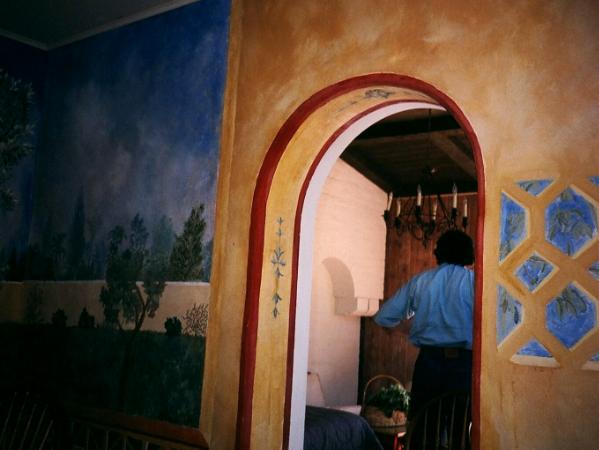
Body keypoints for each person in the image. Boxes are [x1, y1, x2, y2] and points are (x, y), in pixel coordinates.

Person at [374, 229, 474, 448]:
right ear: (469, 254)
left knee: (423, 430)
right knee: (462, 432)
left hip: (429, 363)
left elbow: (384, 318)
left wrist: (412, 331)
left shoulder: (422, 281)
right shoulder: (476, 282)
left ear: (440, 252)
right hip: (465, 365)